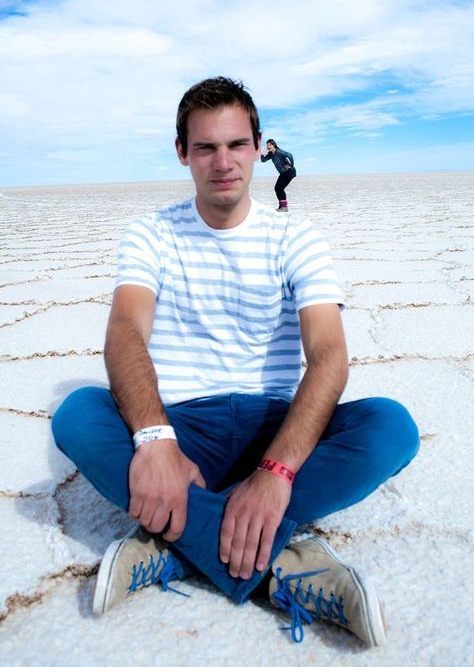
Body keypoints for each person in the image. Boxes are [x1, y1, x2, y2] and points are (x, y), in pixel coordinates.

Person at [52, 76, 419, 647]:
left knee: (391, 427)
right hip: (180, 431)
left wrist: (274, 474)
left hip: (276, 429)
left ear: (258, 147)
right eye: (205, 147)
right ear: (183, 153)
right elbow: (125, 331)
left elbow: (328, 355)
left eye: (236, 145)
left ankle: (174, 539)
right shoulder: (152, 233)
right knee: (77, 414)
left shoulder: (296, 237)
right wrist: (155, 439)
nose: (223, 162)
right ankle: (279, 565)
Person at [260, 138, 296, 211]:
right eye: (267, 145)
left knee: (279, 188)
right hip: (283, 173)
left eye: (270, 145)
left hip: (289, 172)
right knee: (278, 189)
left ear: (274, 145)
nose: (268, 146)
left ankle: (284, 207)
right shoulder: (270, 155)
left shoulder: (279, 152)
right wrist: (263, 153)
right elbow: (263, 160)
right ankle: (282, 207)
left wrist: (291, 166)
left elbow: (290, 155)